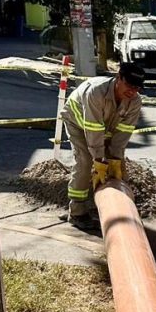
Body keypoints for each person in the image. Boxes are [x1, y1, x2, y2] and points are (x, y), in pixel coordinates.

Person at [61, 62, 146, 231]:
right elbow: (93, 130)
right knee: (86, 162)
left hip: (103, 127)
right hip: (78, 123)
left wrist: (115, 159)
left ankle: (119, 210)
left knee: (118, 168)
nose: (132, 91)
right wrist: (99, 160)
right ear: (118, 78)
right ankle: (77, 212)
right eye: (129, 85)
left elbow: (123, 134)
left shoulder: (134, 101)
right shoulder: (96, 92)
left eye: (137, 88)